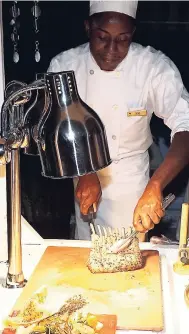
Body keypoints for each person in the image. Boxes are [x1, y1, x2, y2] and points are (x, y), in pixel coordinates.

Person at [48, 1, 189, 240]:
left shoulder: (153, 67)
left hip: (132, 181)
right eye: (102, 37)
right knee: (88, 250)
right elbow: (59, 129)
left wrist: (156, 185)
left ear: (132, 34)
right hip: (83, 172)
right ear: (88, 28)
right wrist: (85, 171)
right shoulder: (65, 66)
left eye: (123, 39)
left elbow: (185, 128)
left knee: (132, 251)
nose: (111, 49)